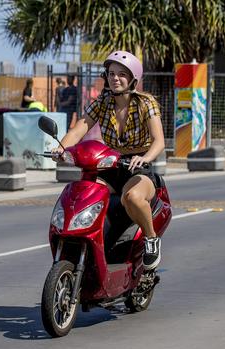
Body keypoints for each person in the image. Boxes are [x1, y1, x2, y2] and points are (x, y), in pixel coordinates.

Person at [52, 50, 165, 271]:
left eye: (121, 74)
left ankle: (151, 240)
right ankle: (92, 243)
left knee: (131, 197)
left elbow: (158, 141)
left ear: (133, 78)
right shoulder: (102, 102)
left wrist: (144, 158)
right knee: (83, 194)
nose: (115, 78)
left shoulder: (145, 103)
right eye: (111, 73)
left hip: (138, 167)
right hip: (111, 163)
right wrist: (61, 148)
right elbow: (79, 130)